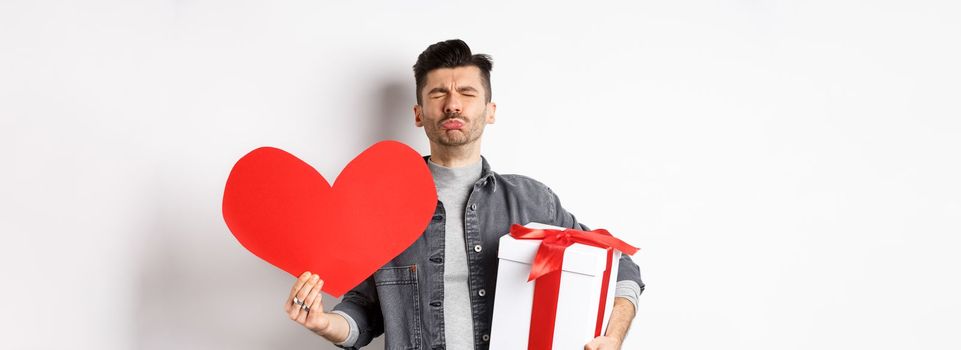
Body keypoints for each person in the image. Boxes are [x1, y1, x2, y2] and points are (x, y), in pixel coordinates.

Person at [282, 39, 644, 350]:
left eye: (467, 93)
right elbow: (363, 309)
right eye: (438, 93)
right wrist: (325, 323)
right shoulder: (379, 208)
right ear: (419, 114)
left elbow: (620, 265)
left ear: (490, 112)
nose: (452, 104)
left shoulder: (533, 201)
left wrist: (612, 337)